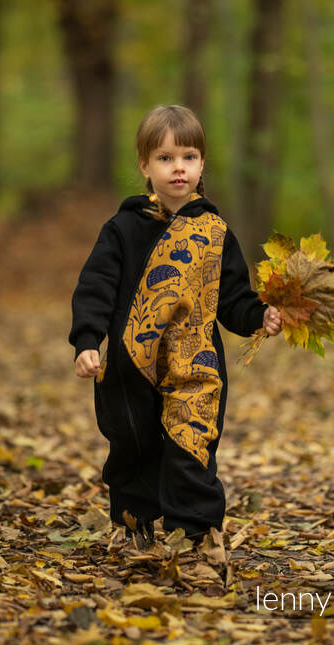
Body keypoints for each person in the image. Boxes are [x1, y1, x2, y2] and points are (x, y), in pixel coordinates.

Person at [68, 104, 282, 550]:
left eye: (187, 157)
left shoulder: (216, 233)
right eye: (165, 158)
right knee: (134, 447)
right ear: (145, 166)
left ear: (202, 164)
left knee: (191, 445)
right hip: (131, 364)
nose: (177, 168)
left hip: (196, 361)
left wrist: (260, 315)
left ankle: (197, 535)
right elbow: (97, 285)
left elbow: (234, 297)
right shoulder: (123, 228)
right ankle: (133, 526)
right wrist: (87, 339)